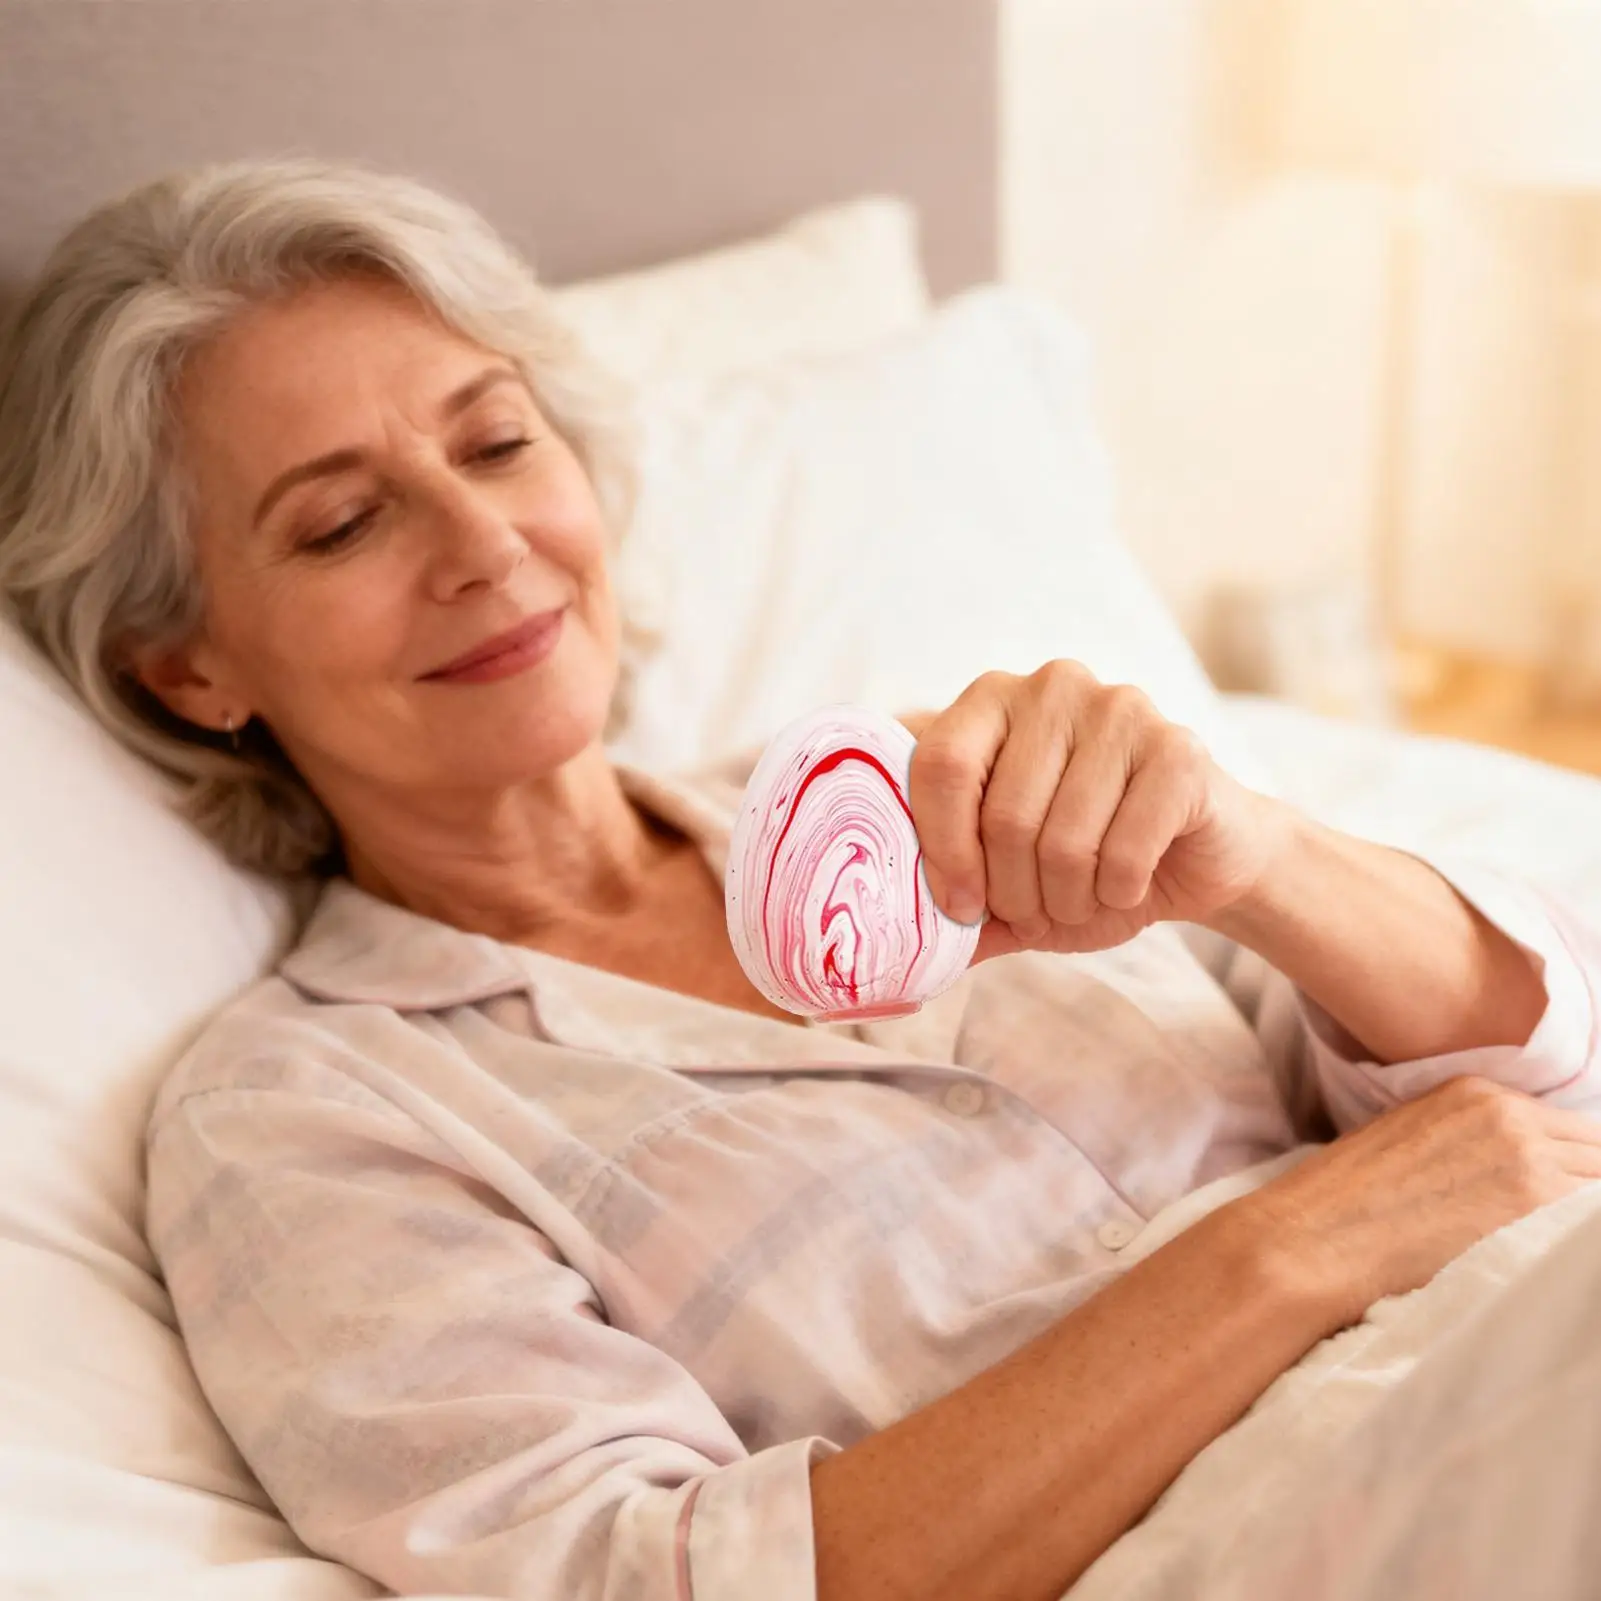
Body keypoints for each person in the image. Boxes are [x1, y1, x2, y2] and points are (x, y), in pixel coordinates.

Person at [2, 155, 1600, 1601]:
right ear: (190, 667)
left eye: (498, 441)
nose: (483, 540)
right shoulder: (309, 1117)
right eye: (343, 523)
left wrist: (1261, 855)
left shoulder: (912, 793)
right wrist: (1294, 1252)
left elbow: (1536, 1082)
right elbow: (654, 1587)